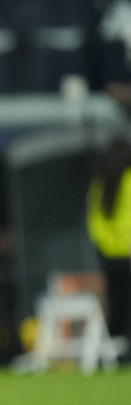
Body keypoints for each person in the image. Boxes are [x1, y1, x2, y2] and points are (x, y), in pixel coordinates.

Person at [86, 136, 131, 342]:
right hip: (125, 253)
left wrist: (106, 246)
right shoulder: (128, 180)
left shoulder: (101, 183)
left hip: (110, 255)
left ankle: (116, 343)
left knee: (117, 301)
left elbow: (95, 223)